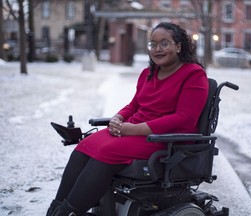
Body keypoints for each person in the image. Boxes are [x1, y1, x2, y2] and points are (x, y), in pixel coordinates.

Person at [46, 22, 209, 216]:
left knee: (107, 151)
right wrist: (118, 118)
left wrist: (132, 129)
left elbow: (184, 119)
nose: (157, 49)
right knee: (86, 145)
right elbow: (134, 106)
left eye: (164, 43)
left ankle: (69, 212)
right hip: (136, 132)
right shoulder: (148, 74)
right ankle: (55, 209)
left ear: (178, 46)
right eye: (153, 44)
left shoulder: (193, 74)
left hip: (166, 139)